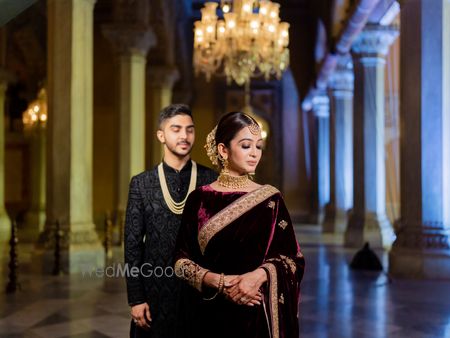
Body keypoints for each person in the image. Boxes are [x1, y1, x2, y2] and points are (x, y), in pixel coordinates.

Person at [174, 112, 305, 338]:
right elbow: (180, 261)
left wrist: (258, 277)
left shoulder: (271, 199)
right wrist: (218, 281)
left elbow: (293, 259)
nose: (255, 153)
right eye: (246, 146)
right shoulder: (199, 199)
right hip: (209, 312)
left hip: (256, 313)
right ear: (223, 150)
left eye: (259, 146)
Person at [124, 104, 218, 338]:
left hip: (199, 293)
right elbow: (133, 245)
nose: (184, 136)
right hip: (155, 293)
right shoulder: (141, 184)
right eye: (176, 129)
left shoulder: (211, 180)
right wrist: (136, 299)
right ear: (161, 135)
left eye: (189, 130)